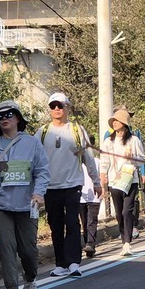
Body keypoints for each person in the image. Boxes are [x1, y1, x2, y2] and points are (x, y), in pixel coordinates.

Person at [0, 100, 50, 289]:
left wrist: (39, 193)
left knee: (28, 249)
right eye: (0, 117)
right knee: (6, 248)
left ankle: (31, 277)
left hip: (27, 204)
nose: (4, 119)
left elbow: (43, 170)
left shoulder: (32, 143)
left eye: (9, 114)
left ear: (18, 118)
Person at [36, 92, 101, 278]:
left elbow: (88, 156)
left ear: (67, 108)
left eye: (60, 105)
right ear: (49, 109)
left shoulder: (76, 130)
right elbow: (33, 158)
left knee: (72, 222)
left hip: (73, 184)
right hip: (50, 186)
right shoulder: (42, 132)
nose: (57, 109)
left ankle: (73, 262)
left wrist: (95, 181)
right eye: (53, 106)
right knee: (55, 225)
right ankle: (60, 263)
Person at [100, 108, 145, 256]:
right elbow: (104, 160)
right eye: (113, 120)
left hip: (130, 180)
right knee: (119, 213)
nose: (114, 123)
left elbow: (142, 160)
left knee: (127, 211)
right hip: (115, 181)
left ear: (124, 124)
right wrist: (103, 176)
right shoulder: (109, 141)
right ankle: (123, 237)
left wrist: (132, 156)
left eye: (117, 120)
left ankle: (127, 243)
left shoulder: (134, 140)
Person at [77, 166, 101, 258]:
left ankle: (90, 244)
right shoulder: (77, 162)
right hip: (81, 197)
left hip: (94, 197)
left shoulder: (96, 161)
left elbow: (102, 176)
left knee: (92, 221)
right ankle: (88, 245)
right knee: (85, 222)